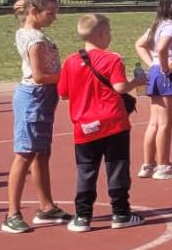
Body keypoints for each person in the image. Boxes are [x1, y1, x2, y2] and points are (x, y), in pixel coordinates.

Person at [59, 15, 148, 232]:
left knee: (86, 170)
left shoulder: (70, 61)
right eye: (108, 32)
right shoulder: (112, 59)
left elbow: (63, 94)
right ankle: (121, 212)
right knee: (117, 167)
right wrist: (136, 82)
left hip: (84, 125)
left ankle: (83, 216)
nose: (110, 36)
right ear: (100, 34)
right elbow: (119, 87)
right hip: (113, 123)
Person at [5, 0, 69, 233]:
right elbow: (40, 75)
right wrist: (68, 75)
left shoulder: (28, 31)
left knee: (41, 152)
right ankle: (12, 213)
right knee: (25, 153)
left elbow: (20, 8)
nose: (54, 18)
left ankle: (46, 206)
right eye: (50, 13)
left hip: (41, 98)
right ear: (34, 11)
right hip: (34, 97)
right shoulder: (35, 40)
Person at [135, 0, 172, 180]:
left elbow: (140, 44)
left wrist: (153, 64)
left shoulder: (157, 25)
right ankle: (164, 165)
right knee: (165, 124)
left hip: (156, 73)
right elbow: (161, 48)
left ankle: (148, 164)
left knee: (154, 122)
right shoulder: (171, 27)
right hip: (168, 75)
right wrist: (165, 67)